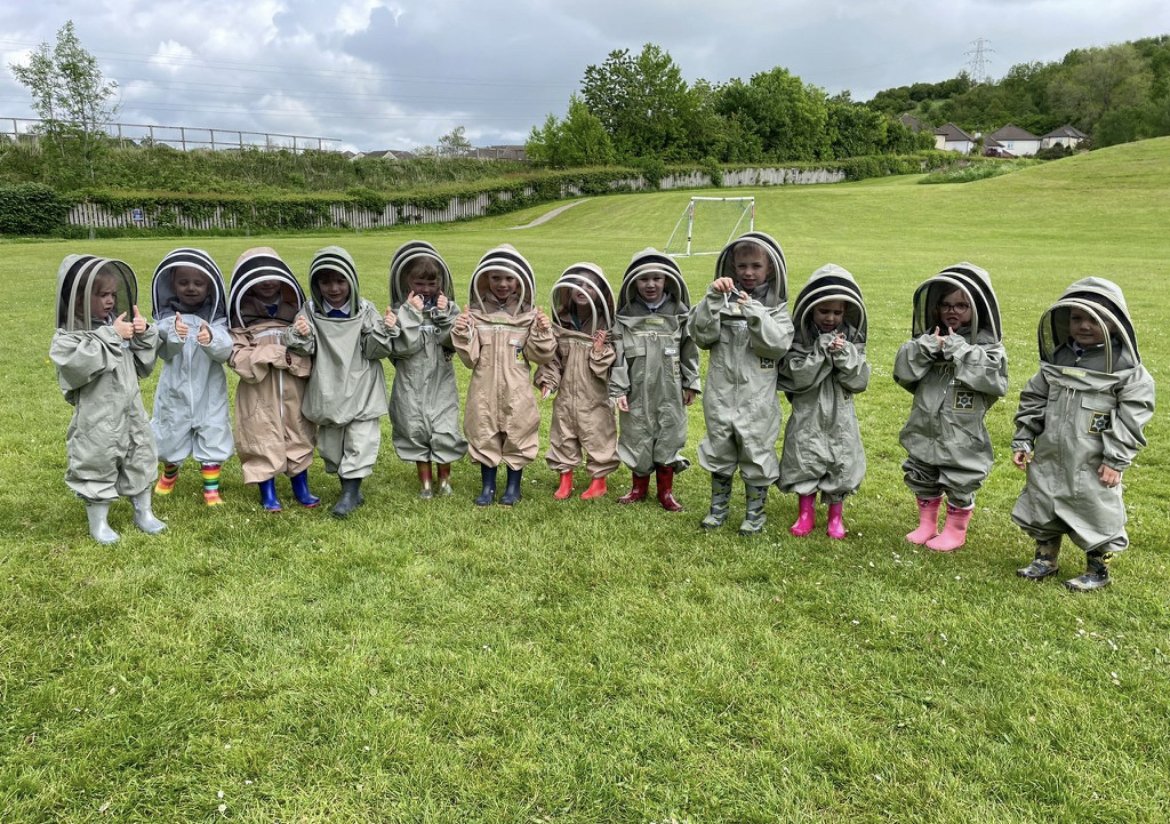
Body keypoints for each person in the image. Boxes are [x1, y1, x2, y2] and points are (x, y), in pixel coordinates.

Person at [1011, 278, 1155, 591]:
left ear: (1115, 324)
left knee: (1096, 509)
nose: (1084, 325)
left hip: (1094, 457)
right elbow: (1034, 398)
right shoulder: (1059, 358)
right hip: (1052, 452)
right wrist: (1024, 437)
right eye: (1076, 318)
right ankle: (1045, 558)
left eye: (1095, 319)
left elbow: (1133, 416)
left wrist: (1115, 459)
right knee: (1045, 501)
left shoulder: (1124, 368)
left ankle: (1097, 567)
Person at [50, 255, 166, 544]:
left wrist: (143, 335)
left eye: (114, 294)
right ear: (78, 299)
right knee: (95, 460)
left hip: (131, 410)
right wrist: (111, 337)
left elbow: (142, 366)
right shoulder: (69, 337)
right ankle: (98, 522)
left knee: (140, 453)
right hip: (96, 417)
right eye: (103, 295)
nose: (111, 301)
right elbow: (78, 368)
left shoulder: (116, 326)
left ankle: (144, 512)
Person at [894, 263, 1008, 552]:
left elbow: (995, 381)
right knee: (922, 468)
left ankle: (955, 529)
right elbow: (903, 372)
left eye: (961, 305)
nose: (952, 311)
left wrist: (959, 349)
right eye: (945, 304)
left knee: (961, 475)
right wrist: (926, 348)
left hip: (962, 430)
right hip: (925, 422)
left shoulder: (986, 347)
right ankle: (926, 524)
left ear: (977, 308)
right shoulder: (926, 340)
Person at [691, 232, 793, 535]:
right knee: (719, 450)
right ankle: (718, 510)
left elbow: (776, 346)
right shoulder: (720, 303)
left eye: (756, 266)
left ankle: (755, 513)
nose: (748, 273)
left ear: (770, 269)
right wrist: (711, 299)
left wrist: (755, 312)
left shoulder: (778, 310)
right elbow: (701, 335)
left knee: (756, 453)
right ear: (732, 267)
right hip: (720, 395)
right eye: (742, 266)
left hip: (757, 400)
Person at [286, 246, 399, 518]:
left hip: (361, 385)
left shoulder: (365, 309)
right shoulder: (310, 311)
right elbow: (303, 349)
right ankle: (349, 487)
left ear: (351, 280)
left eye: (340, 281)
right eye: (326, 282)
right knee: (332, 448)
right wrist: (300, 334)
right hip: (328, 386)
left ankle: (350, 492)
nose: (334, 288)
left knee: (360, 441)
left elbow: (376, 351)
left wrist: (384, 330)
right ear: (316, 284)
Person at [451, 244, 555, 506]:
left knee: (518, 432)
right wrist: (463, 333)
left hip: (516, 389)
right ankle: (487, 487)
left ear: (520, 282)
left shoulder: (528, 317)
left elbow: (539, 356)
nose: (503, 284)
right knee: (483, 431)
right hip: (483, 388)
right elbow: (469, 357)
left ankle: (513, 487)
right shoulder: (476, 315)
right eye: (496, 277)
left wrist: (542, 332)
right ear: (485, 279)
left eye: (509, 278)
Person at [777, 264, 870, 539]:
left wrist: (843, 356)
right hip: (808, 412)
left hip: (841, 415)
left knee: (841, 460)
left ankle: (835, 516)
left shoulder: (852, 340)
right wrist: (819, 353)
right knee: (805, 457)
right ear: (810, 310)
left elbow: (859, 381)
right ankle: (805, 513)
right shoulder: (799, 340)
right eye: (824, 311)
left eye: (837, 312)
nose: (830, 317)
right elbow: (796, 377)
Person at [227, 248, 320, 512]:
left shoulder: (296, 316)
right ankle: (267, 491)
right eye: (260, 279)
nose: (267, 283)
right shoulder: (240, 322)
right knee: (259, 433)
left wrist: (289, 353)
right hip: (257, 392)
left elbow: (308, 354)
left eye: (272, 277)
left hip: (293, 388)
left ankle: (301, 486)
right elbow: (238, 358)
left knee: (298, 428)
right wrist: (276, 353)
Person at [609, 249, 701, 512]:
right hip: (636, 388)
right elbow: (618, 356)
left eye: (656, 279)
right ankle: (638, 488)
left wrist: (690, 383)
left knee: (669, 434)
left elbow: (689, 351)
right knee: (636, 434)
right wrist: (619, 389)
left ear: (667, 281)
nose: (650, 285)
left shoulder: (680, 315)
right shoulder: (626, 317)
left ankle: (666, 492)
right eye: (643, 279)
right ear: (633, 283)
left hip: (669, 387)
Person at [149, 249, 234, 506]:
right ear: (172, 284)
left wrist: (212, 340)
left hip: (209, 388)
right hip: (174, 389)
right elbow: (163, 350)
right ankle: (169, 472)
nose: (191, 288)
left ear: (210, 286)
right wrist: (174, 334)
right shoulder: (165, 318)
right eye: (183, 282)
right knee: (168, 432)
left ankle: (211, 488)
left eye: (199, 283)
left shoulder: (216, 319)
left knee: (213, 430)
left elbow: (225, 350)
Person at [387, 240, 467, 498]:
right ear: (407, 283)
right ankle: (425, 483)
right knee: (415, 430)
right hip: (410, 382)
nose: (426, 289)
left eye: (432, 284)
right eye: (419, 284)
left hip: (441, 380)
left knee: (445, 430)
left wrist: (445, 317)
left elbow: (454, 343)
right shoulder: (400, 312)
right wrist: (410, 315)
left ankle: (444, 480)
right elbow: (401, 347)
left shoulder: (448, 309)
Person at [536, 263, 619, 500]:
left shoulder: (606, 325)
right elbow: (553, 357)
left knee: (597, 434)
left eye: (588, 285)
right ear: (567, 289)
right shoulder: (562, 321)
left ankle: (598, 481)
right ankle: (565, 480)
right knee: (563, 433)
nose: (582, 289)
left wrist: (600, 350)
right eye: (577, 284)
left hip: (595, 394)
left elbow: (608, 368)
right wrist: (548, 381)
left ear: (599, 291)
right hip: (566, 394)